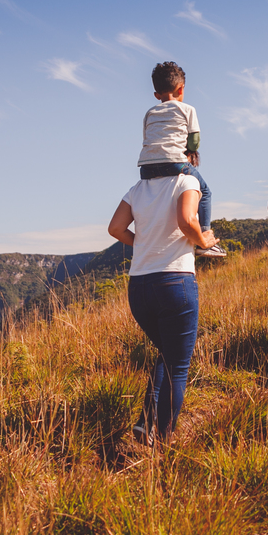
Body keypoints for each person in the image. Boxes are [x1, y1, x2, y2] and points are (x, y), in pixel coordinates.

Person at [107, 168, 220, 445]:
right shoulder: (188, 181)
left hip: (139, 288)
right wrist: (203, 240)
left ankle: (147, 422)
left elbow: (115, 228)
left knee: (166, 354)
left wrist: (143, 243)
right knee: (178, 366)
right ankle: (166, 444)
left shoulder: (138, 188)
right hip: (175, 282)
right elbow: (186, 221)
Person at [138, 61, 226, 257]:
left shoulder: (149, 113)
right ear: (181, 88)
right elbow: (194, 142)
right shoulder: (187, 109)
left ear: (156, 95)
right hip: (174, 162)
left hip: (146, 168)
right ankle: (206, 240)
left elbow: (148, 139)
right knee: (205, 191)